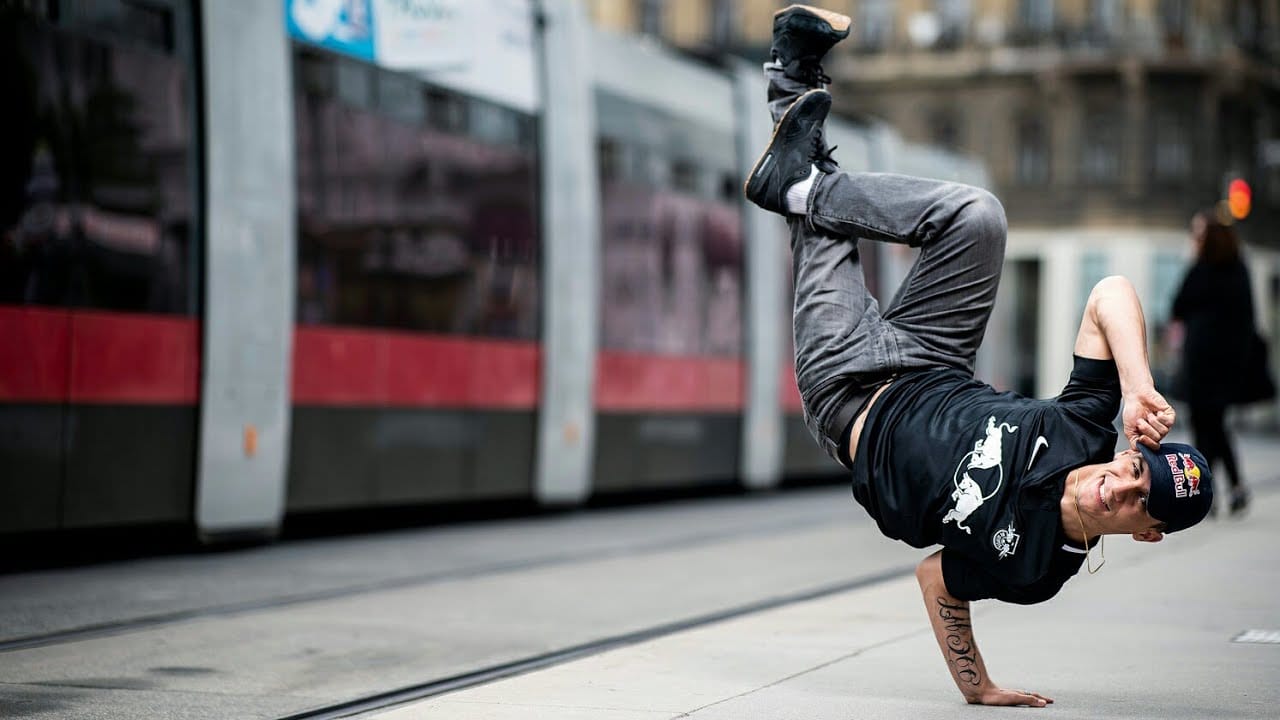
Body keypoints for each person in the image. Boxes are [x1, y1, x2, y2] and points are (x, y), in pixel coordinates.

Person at [748, 5, 1214, 707]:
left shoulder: (1037, 568)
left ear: (1144, 534)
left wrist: (978, 686)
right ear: (1127, 454)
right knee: (980, 217)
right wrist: (1139, 382)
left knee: (824, 232)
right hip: (934, 357)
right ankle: (803, 165)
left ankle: (795, 85)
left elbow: (937, 580)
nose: (1117, 486)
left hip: (849, 394)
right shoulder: (1089, 426)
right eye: (1133, 470)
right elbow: (1110, 293)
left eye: (1136, 502)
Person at [1171, 210, 1257, 515]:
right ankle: (1234, 487)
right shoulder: (1239, 270)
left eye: (1197, 235)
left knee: (1203, 426)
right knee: (1216, 425)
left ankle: (1205, 493)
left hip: (1201, 363)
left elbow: (1177, 305)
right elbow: (1249, 318)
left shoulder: (1202, 269)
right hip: (1228, 365)